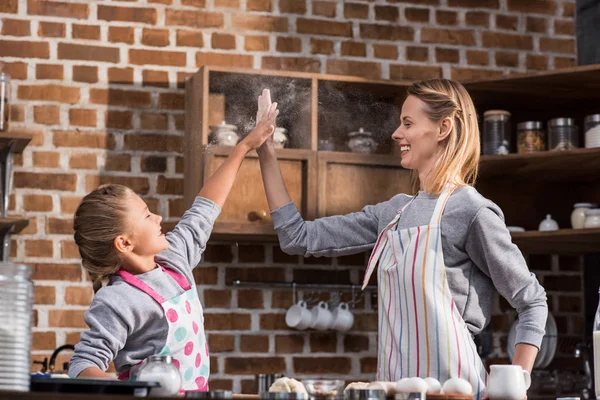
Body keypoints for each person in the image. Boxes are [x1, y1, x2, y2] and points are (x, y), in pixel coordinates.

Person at [255, 83, 547, 398]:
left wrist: (515, 384)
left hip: (456, 392)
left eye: (408, 123)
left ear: (443, 127)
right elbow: (296, 237)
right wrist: (265, 150)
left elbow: (531, 301)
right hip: (393, 390)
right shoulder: (393, 213)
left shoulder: (472, 211)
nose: (396, 133)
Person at [67, 98, 279, 392]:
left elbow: (206, 205)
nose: (158, 217)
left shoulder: (174, 258)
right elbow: (82, 366)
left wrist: (244, 147)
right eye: (146, 214)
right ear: (124, 243)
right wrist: (137, 391)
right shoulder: (117, 300)